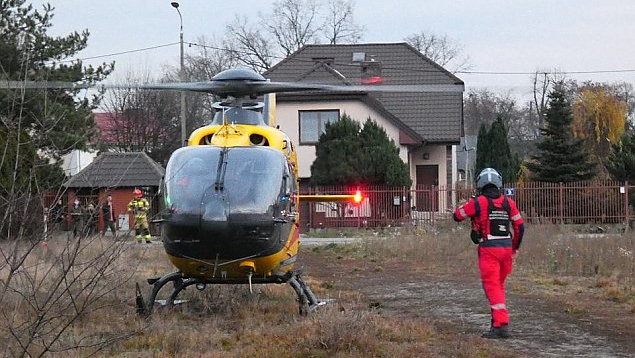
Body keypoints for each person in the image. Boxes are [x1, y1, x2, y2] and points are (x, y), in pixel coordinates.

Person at [453, 168, 525, 339]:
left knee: (492, 287)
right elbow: (520, 227)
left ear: (480, 184)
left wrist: (469, 209)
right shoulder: (509, 203)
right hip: (506, 249)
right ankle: (496, 323)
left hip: (489, 249)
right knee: (498, 287)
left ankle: (501, 325)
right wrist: (514, 248)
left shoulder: (479, 202)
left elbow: (457, 216)